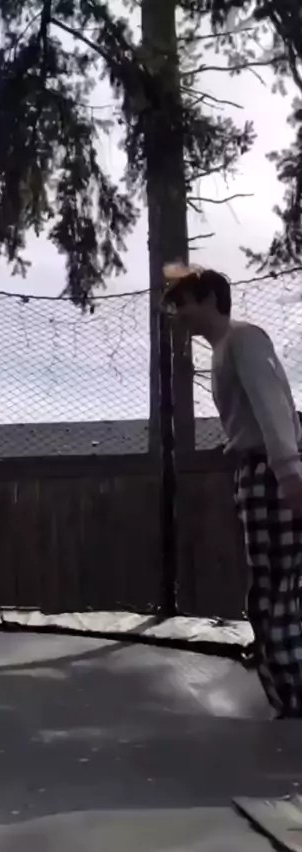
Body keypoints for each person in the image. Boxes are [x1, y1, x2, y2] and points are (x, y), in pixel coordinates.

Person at [161, 263, 302, 719]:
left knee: (281, 591)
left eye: (181, 305)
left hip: (271, 473)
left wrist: (289, 473)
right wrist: (236, 445)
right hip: (254, 471)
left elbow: (273, 405)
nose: (177, 315)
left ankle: (296, 698)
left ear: (208, 299)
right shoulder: (223, 350)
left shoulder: (244, 338)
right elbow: (250, 415)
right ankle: (286, 694)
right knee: (267, 591)